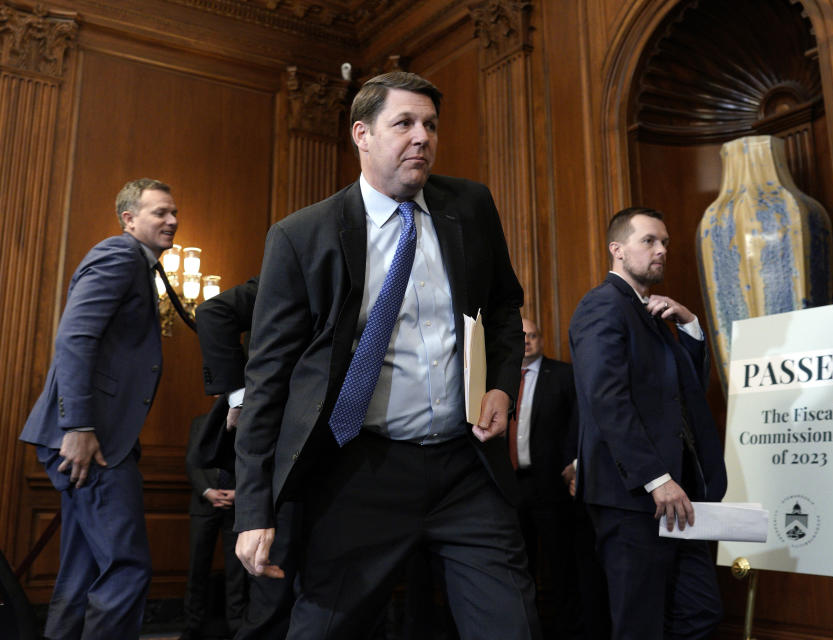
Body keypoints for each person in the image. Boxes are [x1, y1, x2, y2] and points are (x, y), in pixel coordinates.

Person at [232, 71, 540, 639]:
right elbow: (268, 379)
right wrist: (253, 512)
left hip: (465, 469)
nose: (422, 136)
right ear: (362, 134)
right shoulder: (303, 236)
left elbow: (503, 306)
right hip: (361, 471)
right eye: (404, 123)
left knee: (511, 627)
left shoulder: (469, 206)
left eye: (430, 124)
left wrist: (500, 384)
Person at [20, 178, 180, 639]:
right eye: (160, 213)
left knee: (82, 569)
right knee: (127, 568)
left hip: (98, 439)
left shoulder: (139, 265)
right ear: (129, 220)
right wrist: (80, 426)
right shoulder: (119, 254)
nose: (172, 221)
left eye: (174, 213)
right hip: (93, 440)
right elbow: (74, 338)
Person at [568, 207, 727, 640]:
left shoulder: (652, 313)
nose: (661, 251)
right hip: (634, 498)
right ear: (617, 250)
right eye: (649, 241)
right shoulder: (602, 304)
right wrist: (656, 479)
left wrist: (691, 324)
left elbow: (687, 392)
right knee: (639, 625)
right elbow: (607, 399)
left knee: (699, 612)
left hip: (680, 497)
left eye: (665, 243)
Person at [195, 276, 301, 640]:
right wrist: (242, 398)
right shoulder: (299, 257)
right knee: (273, 595)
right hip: (285, 449)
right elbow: (213, 312)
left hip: (363, 460)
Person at [508, 319, 580, 638]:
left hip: (551, 486)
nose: (526, 341)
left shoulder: (563, 375)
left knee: (560, 565)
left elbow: (578, 425)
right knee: (517, 567)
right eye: (520, 336)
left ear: (541, 339)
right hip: (508, 488)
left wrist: (575, 465)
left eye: (532, 335)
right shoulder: (500, 377)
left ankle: (565, 630)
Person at [182, 415, 246, 640]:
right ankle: (192, 626)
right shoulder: (201, 422)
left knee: (237, 572)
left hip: (237, 505)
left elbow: (254, 459)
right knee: (197, 568)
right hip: (204, 503)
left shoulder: (251, 416)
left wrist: (240, 493)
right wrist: (207, 492)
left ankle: (236, 626)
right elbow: (192, 460)